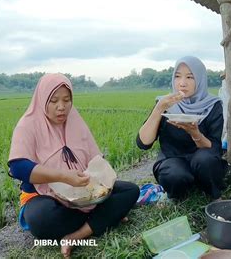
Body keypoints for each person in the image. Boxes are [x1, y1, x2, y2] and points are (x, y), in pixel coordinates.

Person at [8, 73, 140, 257]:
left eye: (66, 100)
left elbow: (96, 158)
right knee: (41, 219)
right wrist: (63, 177)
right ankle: (105, 218)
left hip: (83, 192)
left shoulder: (75, 120)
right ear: (42, 99)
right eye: (54, 101)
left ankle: (78, 234)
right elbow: (17, 167)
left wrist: (101, 178)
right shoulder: (28, 125)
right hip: (44, 195)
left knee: (131, 190)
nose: (61, 107)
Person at [137, 56, 225, 200]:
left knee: (205, 160)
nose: (182, 83)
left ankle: (213, 194)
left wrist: (195, 133)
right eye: (178, 77)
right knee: (174, 173)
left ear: (200, 80)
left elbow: (215, 148)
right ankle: (176, 195)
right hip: (172, 159)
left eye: (190, 77)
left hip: (203, 159)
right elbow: (143, 143)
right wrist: (159, 109)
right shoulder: (165, 104)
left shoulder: (213, 105)